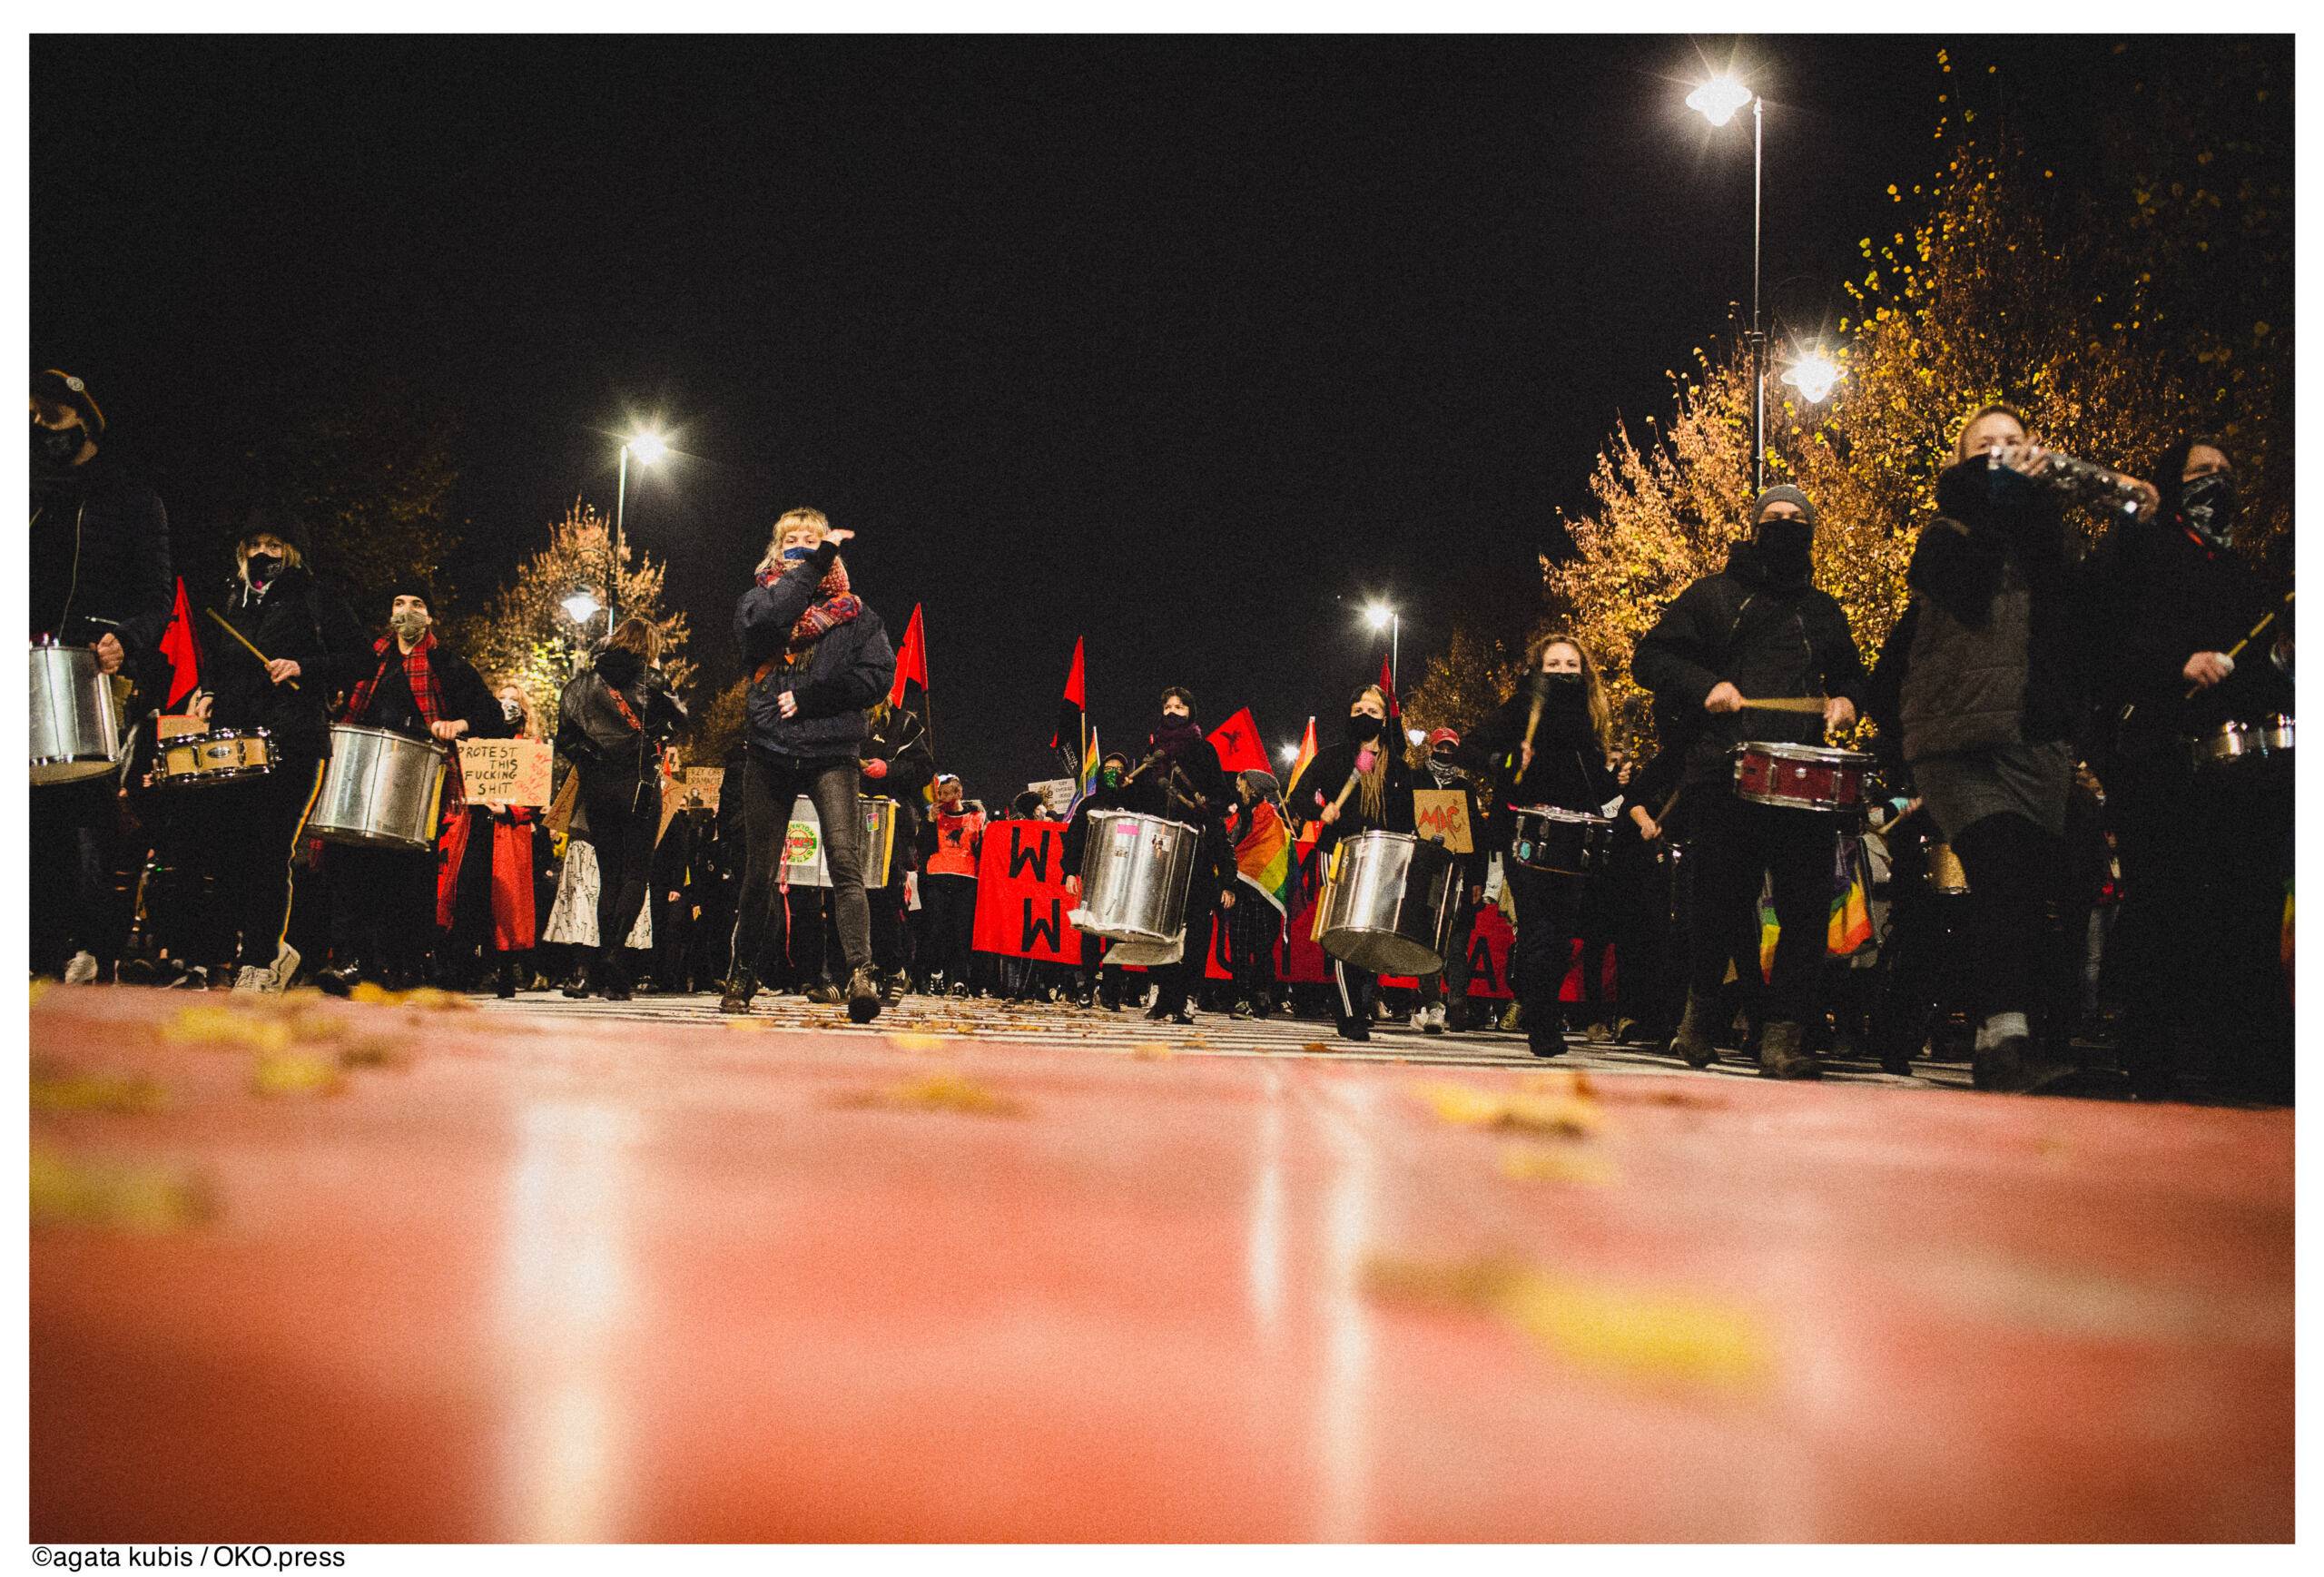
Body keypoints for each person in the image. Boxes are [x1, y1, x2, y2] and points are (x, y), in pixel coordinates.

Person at [1896, 405, 2149, 1094]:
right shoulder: (1943, 535)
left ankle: (2034, 1033)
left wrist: (2126, 519)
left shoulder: (2050, 536)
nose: (2001, 453)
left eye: (2014, 443)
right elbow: (1971, 593)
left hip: (2035, 740)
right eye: (1986, 446)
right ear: (1960, 463)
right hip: (1960, 738)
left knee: (2036, 887)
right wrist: (2006, 498)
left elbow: (2094, 612)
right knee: (2003, 866)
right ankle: (2000, 1042)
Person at [1633, 484, 1868, 1079]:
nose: (1786, 525)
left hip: (1805, 780)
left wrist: (1846, 700)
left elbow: (1854, 678)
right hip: (1724, 771)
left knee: (1807, 911)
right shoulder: (1715, 596)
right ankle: (1699, 1020)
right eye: (1774, 517)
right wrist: (1703, 684)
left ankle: (1783, 1035)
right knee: (1718, 906)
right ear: (1754, 526)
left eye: (1797, 518)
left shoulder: (1824, 611)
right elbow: (1651, 656)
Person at [2095, 433, 2291, 1099]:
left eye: (2227, 472)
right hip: (2161, 764)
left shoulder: (2245, 572)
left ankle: (2244, 1063)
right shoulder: (2147, 550)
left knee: (2244, 916)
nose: (2217, 481)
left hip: (2239, 777)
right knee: (2163, 911)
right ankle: (2151, 1061)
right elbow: (2109, 629)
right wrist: (2175, 663)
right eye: (2202, 470)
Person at [722, 508, 896, 1020]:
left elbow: (876, 678)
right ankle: (742, 972)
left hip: (832, 751)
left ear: (831, 549)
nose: (801, 545)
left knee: (845, 862)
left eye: (812, 540)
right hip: (771, 751)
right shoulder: (759, 600)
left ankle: (861, 973)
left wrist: (813, 696)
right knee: (759, 872)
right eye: (792, 540)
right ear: (778, 549)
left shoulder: (859, 616)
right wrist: (811, 569)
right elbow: (765, 627)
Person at [29, 368, 174, 983]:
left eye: (53, 416)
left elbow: (158, 594)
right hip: (27, 668)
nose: (41, 427)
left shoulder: (131, 498)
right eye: (34, 417)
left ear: (84, 420)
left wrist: (127, 639)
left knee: (84, 809)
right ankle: (36, 946)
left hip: (92, 669)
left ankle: (89, 944)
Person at [188, 505, 369, 991]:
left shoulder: (315, 596)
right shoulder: (234, 600)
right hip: (235, 741)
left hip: (293, 738)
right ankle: (220, 957)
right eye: (253, 546)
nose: (261, 554)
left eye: (272, 545)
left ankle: (262, 959)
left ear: (290, 551)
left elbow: (359, 656)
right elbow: (219, 663)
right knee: (230, 851)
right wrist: (206, 691)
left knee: (270, 848)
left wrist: (302, 666)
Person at [314, 585, 507, 993]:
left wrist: (459, 725)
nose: (407, 611)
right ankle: (351, 959)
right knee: (351, 869)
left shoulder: (447, 664)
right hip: (362, 774)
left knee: (406, 878)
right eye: (399, 603)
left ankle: (401, 962)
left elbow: (491, 714)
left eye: (417, 605)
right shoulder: (369, 661)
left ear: (430, 617)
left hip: (418, 780)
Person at [1459, 637, 1624, 1058]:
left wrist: (1617, 789)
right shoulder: (1520, 707)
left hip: (1574, 834)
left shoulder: (1588, 715)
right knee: (1537, 926)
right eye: (1553, 664)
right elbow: (1470, 747)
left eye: (1571, 664)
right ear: (1538, 668)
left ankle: (1540, 1007)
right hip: (1525, 830)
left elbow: (1589, 773)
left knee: (1563, 934)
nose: (1563, 671)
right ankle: (1542, 1019)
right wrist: (1508, 759)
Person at [556, 621, 686, 999]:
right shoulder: (653, 680)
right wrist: (653, 737)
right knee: (635, 875)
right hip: (639, 787)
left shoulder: (581, 684)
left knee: (609, 877)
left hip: (597, 789)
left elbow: (565, 737)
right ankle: (613, 955)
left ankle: (601, 964)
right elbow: (680, 719)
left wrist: (594, 760)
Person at [1297, 685, 1414, 1043]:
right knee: (1345, 934)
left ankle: (1360, 1004)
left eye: (1373, 710)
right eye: (1358, 709)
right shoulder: (1333, 757)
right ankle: (1349, 1015)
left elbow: (1407, 820)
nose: (1365, 715)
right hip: (1339, 853)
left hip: (1381, 858)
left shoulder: (1397, 767)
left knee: (1369, 937)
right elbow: (1299, 796)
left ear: (1384, 720)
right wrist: (1322, 811)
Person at [1120, 685, 1229, 1025]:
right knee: (1157, 920)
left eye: (1180, 706)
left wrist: (1204, 805)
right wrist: (1126, 786)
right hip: (1158, 845)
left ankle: (1186, 995)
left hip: (1194, 843)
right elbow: (1140, 801)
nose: (1173, 711)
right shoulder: (1153, 752)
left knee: (1195, 922)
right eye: (1167, 705)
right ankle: (1163, 993)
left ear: (1191, 713)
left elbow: (1220, 797)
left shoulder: (1205, 750)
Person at [1411, 726, 1487, 1034]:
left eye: (1450, 748)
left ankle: (1457, 1003)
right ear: (1431, 747)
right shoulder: (1415, 781)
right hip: (1424, 874)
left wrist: (1478, 880)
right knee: (1425, 942)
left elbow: (1478, 839)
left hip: (1459, 874)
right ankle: (1432, 1005)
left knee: (1457, 946)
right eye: (1440, 747)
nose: (1445, 753)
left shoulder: (1466, 789)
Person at [861, 701, 934, 997]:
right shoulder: (845, 717)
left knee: (883, 900)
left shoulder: (904, 723)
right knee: (847, 897)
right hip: (848, 816)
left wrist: (888, 769)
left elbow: (925, 769)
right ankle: (848, 974)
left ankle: (892, 969)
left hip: (889, 825)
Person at [1062, 750, 1136, 1010]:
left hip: (1125, 877)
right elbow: (1073, 840)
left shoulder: (1135, 802)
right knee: (1091, 932)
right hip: (1094, 874)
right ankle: (1087, 985)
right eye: (1108, 768)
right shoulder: (1088, 803)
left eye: (1118, 769)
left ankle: (1111, 991)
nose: (1113, 773)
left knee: (1117, 934)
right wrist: (1070, 871)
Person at [917, 774, 985, 995]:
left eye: (948, 793)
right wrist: (929, 822)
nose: (943, 798)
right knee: (936, 929)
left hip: (966, 879)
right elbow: (922, 848)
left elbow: (982, 849)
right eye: (940, 794)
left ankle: (959, 980)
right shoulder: (934, 817)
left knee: (962, 931)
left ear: (959, 793)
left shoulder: (976, 817)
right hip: (937, 878)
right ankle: (936, 972)